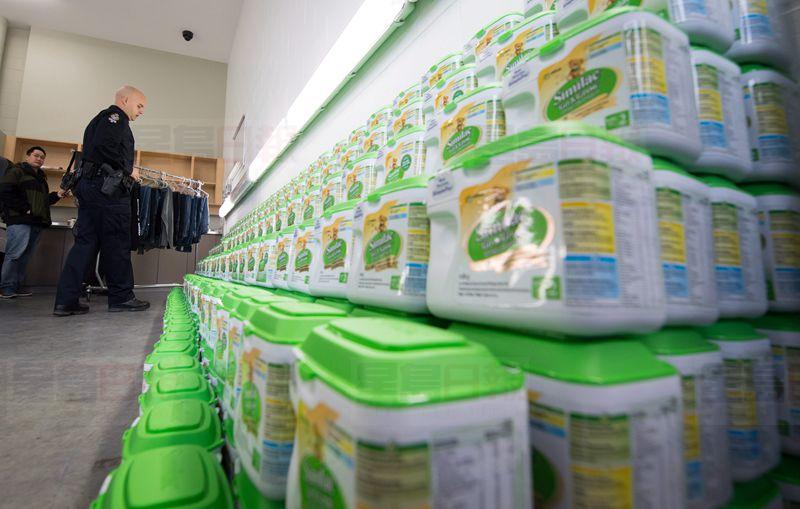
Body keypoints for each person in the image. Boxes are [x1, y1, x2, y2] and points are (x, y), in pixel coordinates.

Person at [53, 86, 151, 315]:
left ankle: (66, 300)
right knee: (117, 242)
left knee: (85, 244)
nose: (141, 111)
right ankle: (121, 297)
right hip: (108, 190)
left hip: (91, 188)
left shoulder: (100, 119)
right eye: (139, 105)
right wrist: (129, 171)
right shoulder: (115, 119)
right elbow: (105, 148)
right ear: (125, 100)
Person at [0, 146, 67, 298]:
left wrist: (58, 194)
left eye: (42, 157)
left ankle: (15, 286)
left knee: (25, 256)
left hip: (36, 222)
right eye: (36, 155)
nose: (39, 159)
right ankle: (6, 287)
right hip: (20, 220)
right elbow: (4, 191)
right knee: (15, 254)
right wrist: (24, 209)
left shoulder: (40, 178)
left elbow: (42, 202)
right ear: (28, 156)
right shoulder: (17, 171)